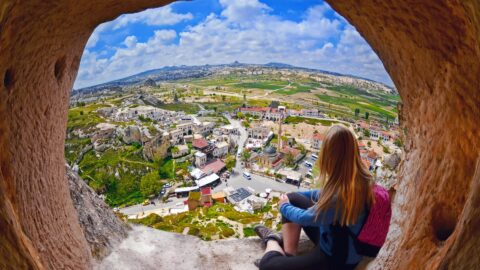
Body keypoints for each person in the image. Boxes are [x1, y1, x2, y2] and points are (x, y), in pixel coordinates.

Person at [254, 125, 379, 270]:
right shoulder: (361, 180)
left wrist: (284, 206)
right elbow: (322, 194)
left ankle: (273, 239)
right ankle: (289, 256)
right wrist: (294, 197)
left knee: (267, 265)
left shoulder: (338, 197)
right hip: (338, 241)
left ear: (328, 156)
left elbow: (305, 218)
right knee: (293, 197)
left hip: (335, 259)